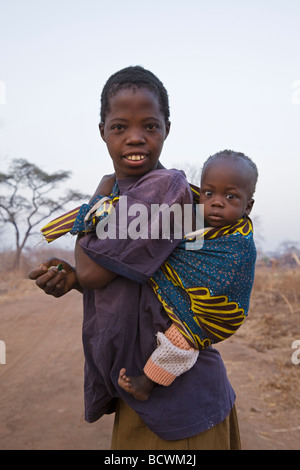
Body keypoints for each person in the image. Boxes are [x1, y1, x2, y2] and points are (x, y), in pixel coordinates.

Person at [29, 66, 242, 450]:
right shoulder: (125, 197)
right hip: (140, 392)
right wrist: (73, 280)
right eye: (119, 127)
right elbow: (128, 280)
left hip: (180, 406)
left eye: (150, 126)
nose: (135, 138)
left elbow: (95, 271)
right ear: (102, 130)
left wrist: (96, 198)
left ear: (166, 129)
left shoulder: (162, 189)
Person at [118, 150, 258, 401]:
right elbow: (178, 248)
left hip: (210, 315)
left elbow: (224, 282)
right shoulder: (190, 215)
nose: (217, 202)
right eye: (208, 193)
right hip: (180, 300)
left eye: (230, 196)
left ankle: (148, 382)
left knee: (181, 340)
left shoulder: (238, 246)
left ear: (248, 206)